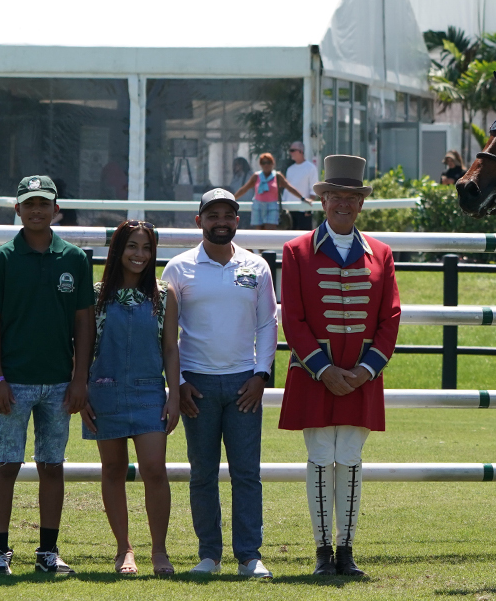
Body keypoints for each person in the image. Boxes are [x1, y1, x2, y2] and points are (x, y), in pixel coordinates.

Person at [278, 155, 401, 577]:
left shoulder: (381, 253)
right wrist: (323, 369)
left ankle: (346, 551)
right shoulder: (295, 251)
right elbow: (291, 318)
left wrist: (365, 370)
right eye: (335, 196)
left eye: (351, 197)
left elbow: (391, 318)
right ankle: (320, 552)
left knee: (349, 457)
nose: (343, 204)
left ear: (361, 204)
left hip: (361, 376)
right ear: (323, 200)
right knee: (318, 457)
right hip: (316, 375)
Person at [0, 175, 95, 576]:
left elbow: (84, 324)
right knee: (6, 464)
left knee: (51, 464)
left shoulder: (74, 259)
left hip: (61, 384)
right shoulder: (3, 258)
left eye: (44, 204)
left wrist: (80, 379)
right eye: (29, 204)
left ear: (56, 209)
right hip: (14, 382)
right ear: (17, 210)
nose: (37, 211)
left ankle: (47, 551)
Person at [161, 188, 278, 578]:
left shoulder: (256, 267)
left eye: (228, 215)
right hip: (197, 386)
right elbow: (167, 332)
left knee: (247, 472)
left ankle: (249, 556)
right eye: (212, 216)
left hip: (246, 383)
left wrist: (261, 375)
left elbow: (267, 323)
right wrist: (177, 383)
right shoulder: (178, 268)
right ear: (199, 222)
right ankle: (208, 554)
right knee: (203, 472)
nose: (221, 222)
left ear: (237, 221)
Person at [79, 219, 179, 576]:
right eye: (132, 246)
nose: (139, 254)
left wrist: (174, 395)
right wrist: (82, 394)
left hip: (150, 392)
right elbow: (85, 347)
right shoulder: (94, 294)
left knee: (154, 468)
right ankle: (124, 550)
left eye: (146, 248)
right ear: (118, 250)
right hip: (104, 390)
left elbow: (170, 349)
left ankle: (160, 552)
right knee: (113, 469)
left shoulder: (165, 294)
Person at [235, 152, 308, 231]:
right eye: (263, 163)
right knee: (258, 233)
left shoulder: (277, 176)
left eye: (268, 162)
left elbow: (289, 188)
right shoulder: (256, 176)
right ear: (260, 164)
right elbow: (244, 189)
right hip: (258, 206)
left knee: (270, 231)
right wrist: (232, 198)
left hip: (272, 206)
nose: (266, 165)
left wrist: (303, 198)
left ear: (273, 163)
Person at [282, 141, 319, 231]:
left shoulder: (311, 168)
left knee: (303, 240)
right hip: (289, 210)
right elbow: (287, 189)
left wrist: (309, 209)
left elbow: (313, 190)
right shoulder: (290, 169)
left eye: (292, 150)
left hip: (303, 211)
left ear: (301, 151)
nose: (290, 153)